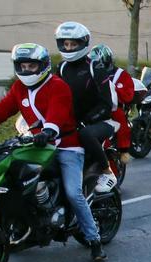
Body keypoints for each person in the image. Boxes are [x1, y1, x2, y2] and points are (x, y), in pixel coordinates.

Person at [0, 43, 105, 262]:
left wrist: (49, 130)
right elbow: (1, 110)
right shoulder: (19, 88)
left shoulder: (57, 85)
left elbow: (58, 111)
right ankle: (21, 224)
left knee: (73, 192)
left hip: (66, 145)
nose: (27, 70)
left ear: (43, 65)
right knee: (11, 179)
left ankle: (94, 240)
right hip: (36, 146)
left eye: (31, 65)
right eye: (23, 65)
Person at [54, 22, 117, 194]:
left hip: (102, 120)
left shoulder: (94, 66)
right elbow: (53, 95)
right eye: (66, 44)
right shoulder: (62, 67)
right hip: (71, 121)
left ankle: (107, 171)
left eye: (73, 44)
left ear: (83, 44)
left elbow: (107, 103)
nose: (69, 48)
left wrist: (87, 120)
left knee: (85, 134)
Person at [91, 44, 135, 163]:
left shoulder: (121, 74)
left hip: (114, 107)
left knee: (119, 118)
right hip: (95, 107)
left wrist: (113, 88)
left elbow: (128, 95)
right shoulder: (91, 74)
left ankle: (124, 150)